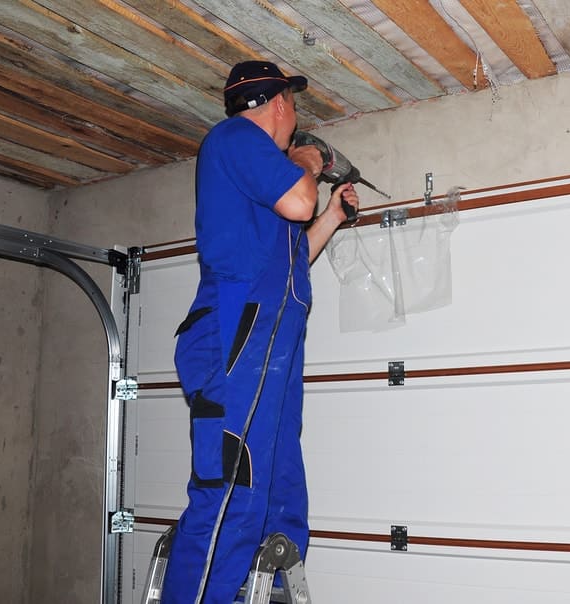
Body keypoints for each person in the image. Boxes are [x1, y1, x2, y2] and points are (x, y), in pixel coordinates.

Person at [161, 60, 359, 604]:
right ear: (279, 105)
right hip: (233, 338)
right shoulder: (234, 138)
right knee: (231, 490)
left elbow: (294, 254)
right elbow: (298, 197)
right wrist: (310, 159)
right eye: (293, 107)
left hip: (268, 348)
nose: (294, 119)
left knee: (278, 486)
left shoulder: (260, 187)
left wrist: (333, 216)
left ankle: (265, 590)